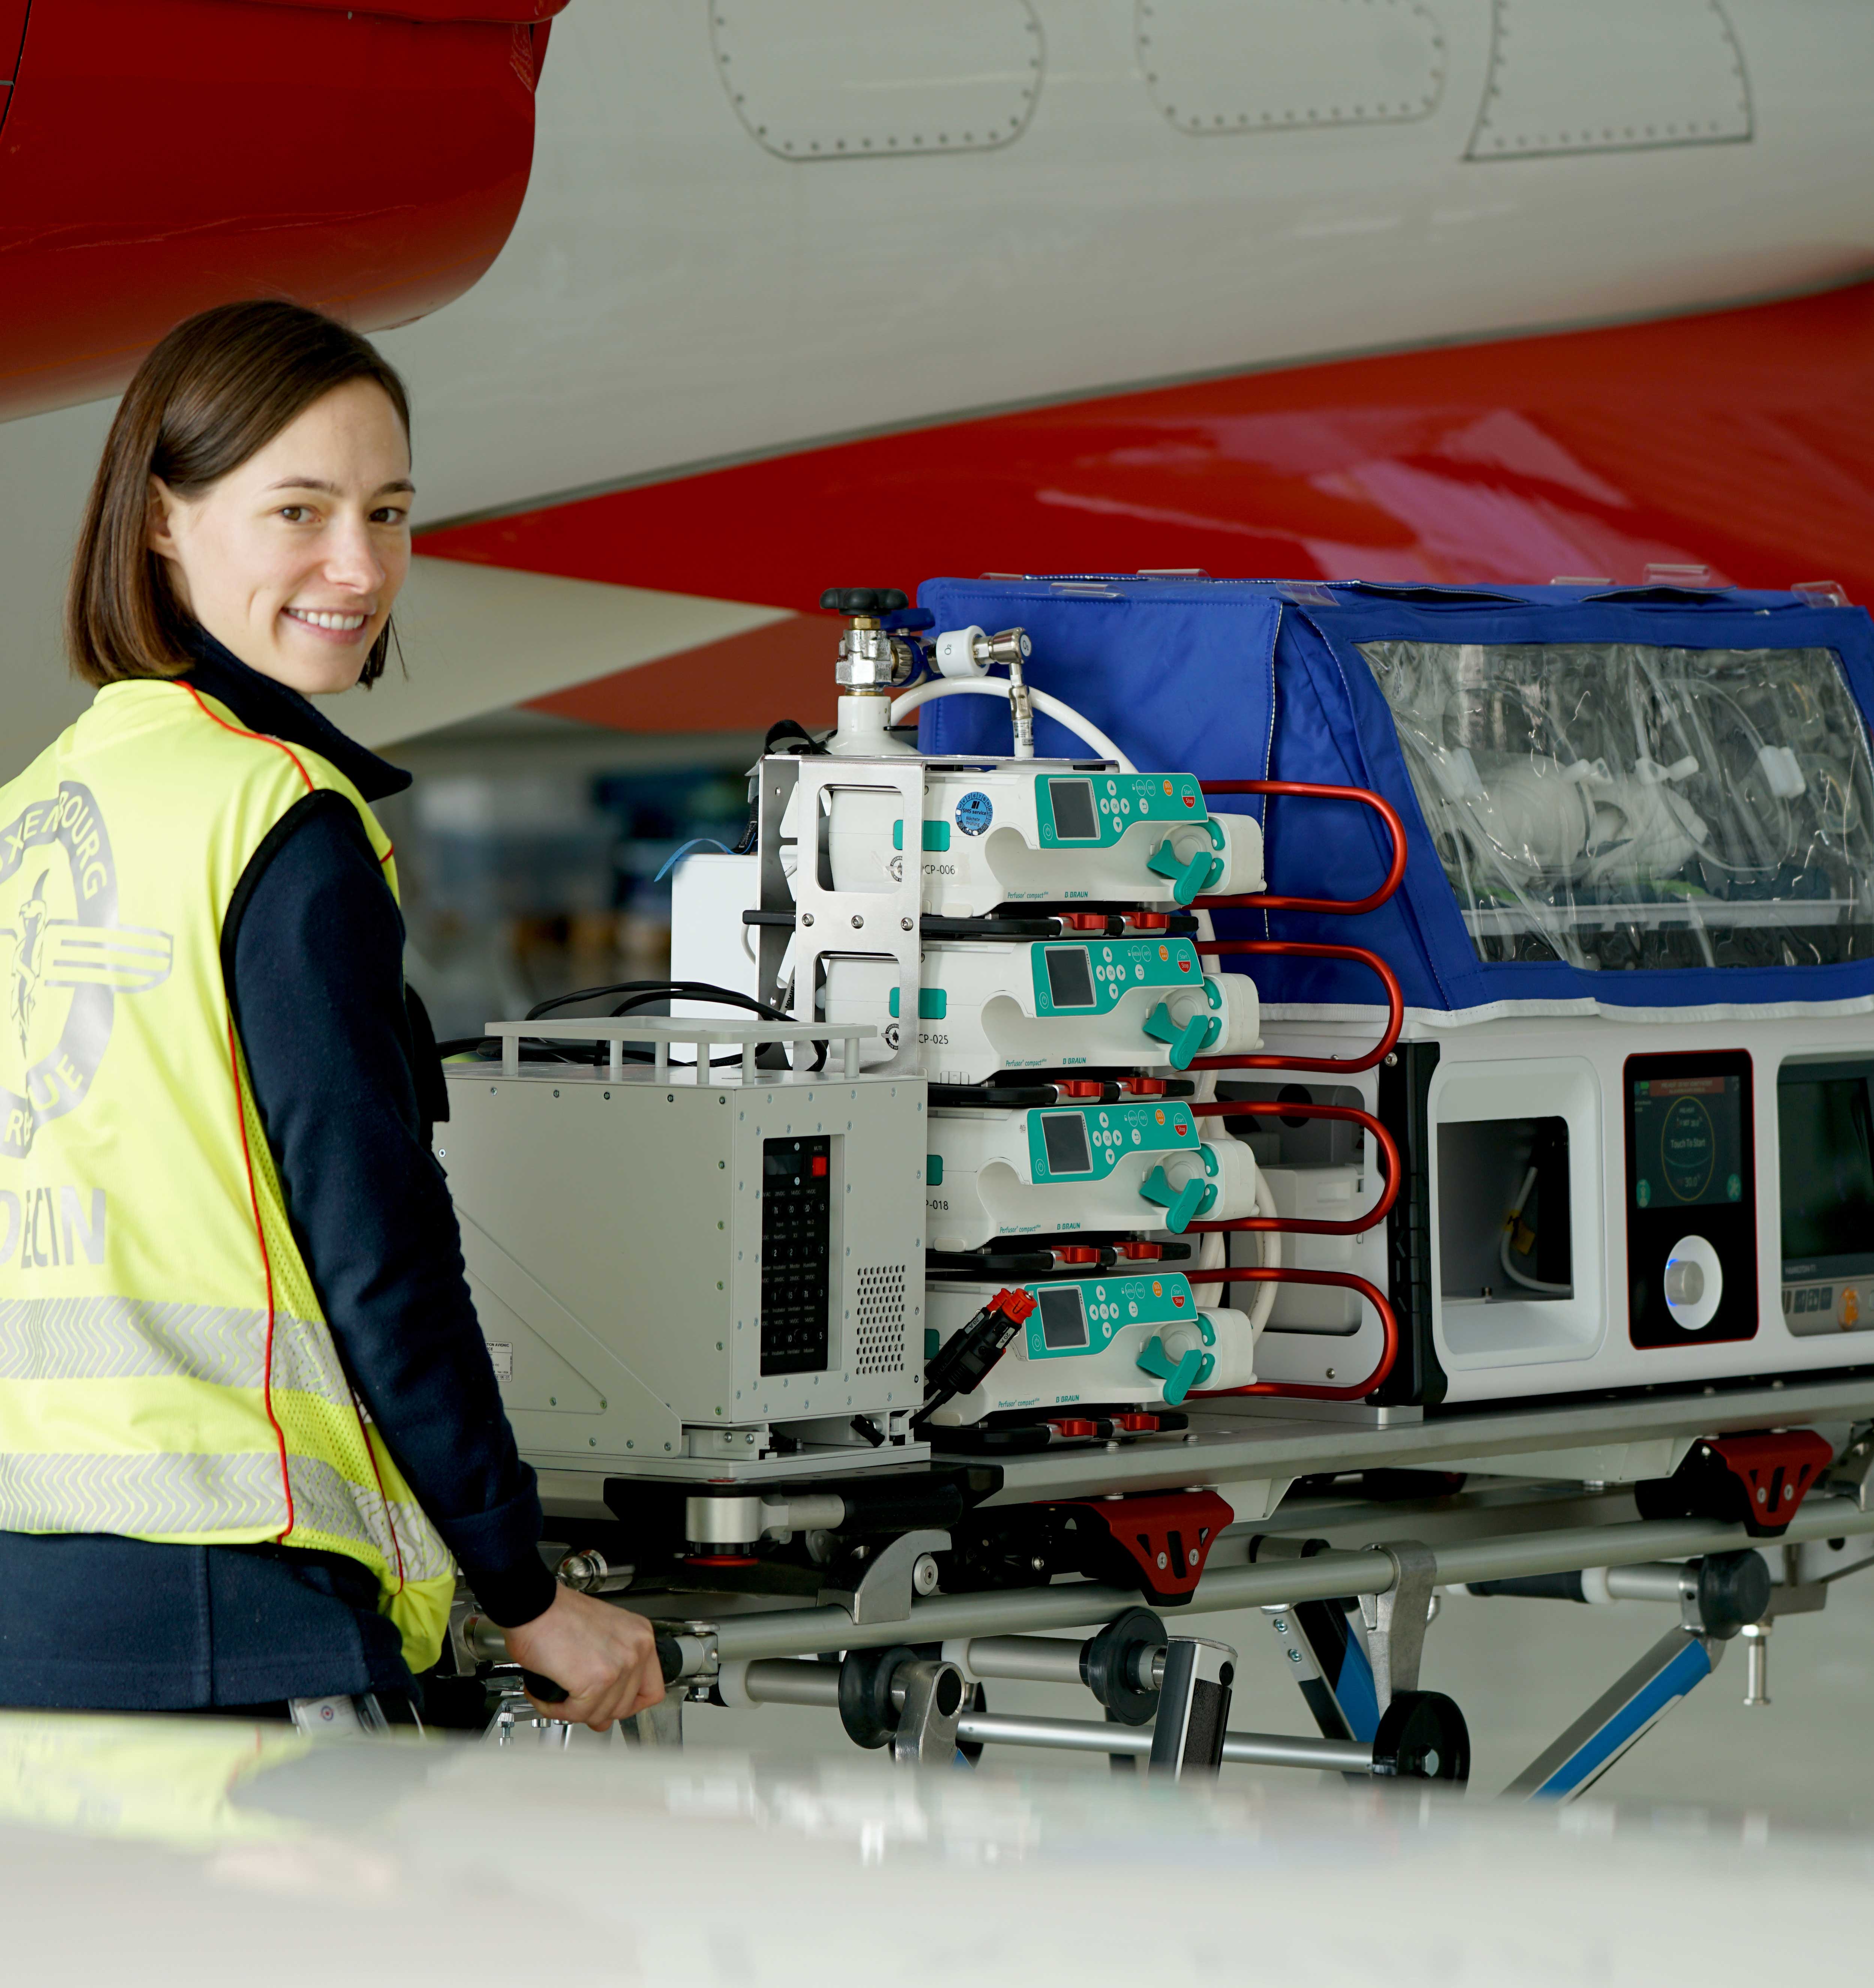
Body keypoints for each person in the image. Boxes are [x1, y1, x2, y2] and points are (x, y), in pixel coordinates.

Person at [0, 299, 662, 1732]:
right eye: (297, 510)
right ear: (164, 523)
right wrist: (525, 1591)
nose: (357, 569)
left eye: (390, 512)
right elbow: (377, 1249)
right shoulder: (279, 819)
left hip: (29, 1607)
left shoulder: (38, 809)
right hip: (236, 1606)